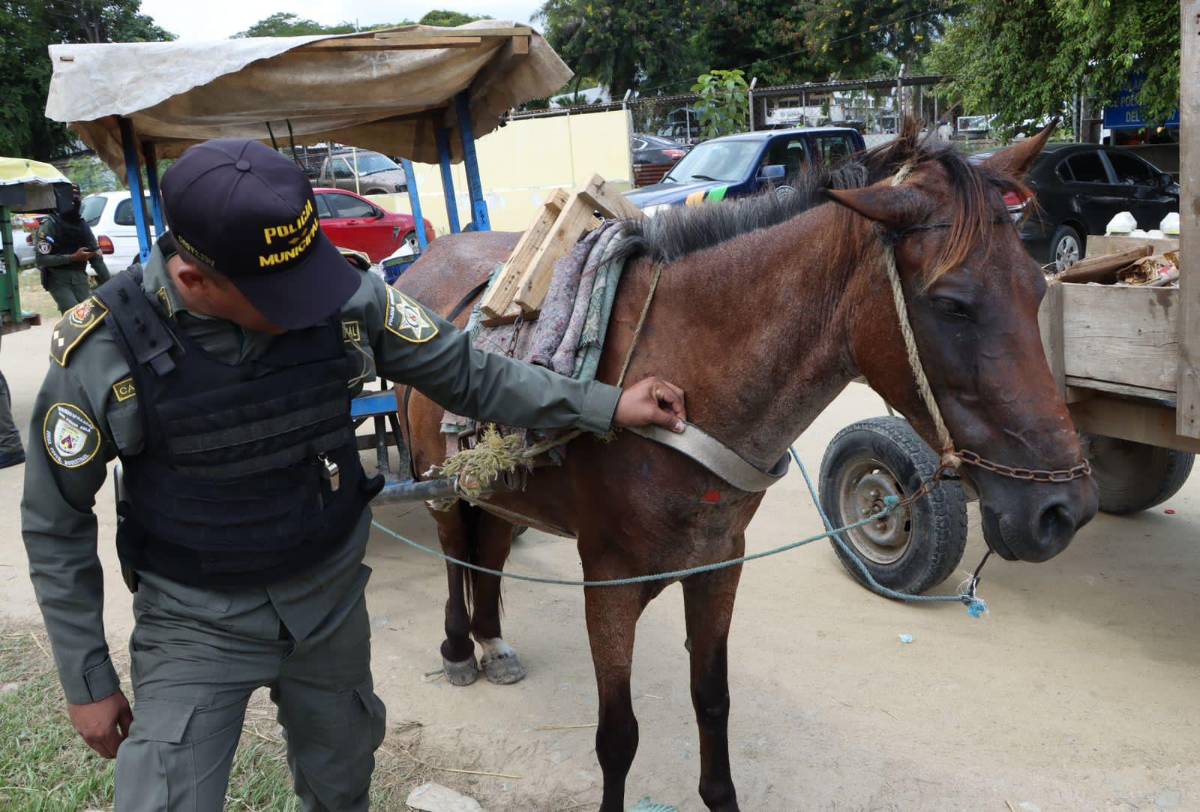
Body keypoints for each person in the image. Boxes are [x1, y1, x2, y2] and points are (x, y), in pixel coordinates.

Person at [21, 139, 686, 811]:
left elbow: (472, 375)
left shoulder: (339, 295)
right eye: (283, 296)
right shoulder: (104, 350)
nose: (310, 303)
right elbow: (54, 522)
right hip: (196, 626)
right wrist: (87, 679)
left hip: (328, 606)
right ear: (195, 281)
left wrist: (606, 405)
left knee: (341, 788)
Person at [34, 184, 111, 313]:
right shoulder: (50, 224)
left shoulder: (82, 225)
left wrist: (110, 284)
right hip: (57, 278)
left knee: (90, 314)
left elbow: (96, 257)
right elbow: (41, 259)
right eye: (71, 199)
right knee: (74, 314)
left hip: (79, 278)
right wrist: (72, 258)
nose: (75, 203)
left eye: (77, 199)